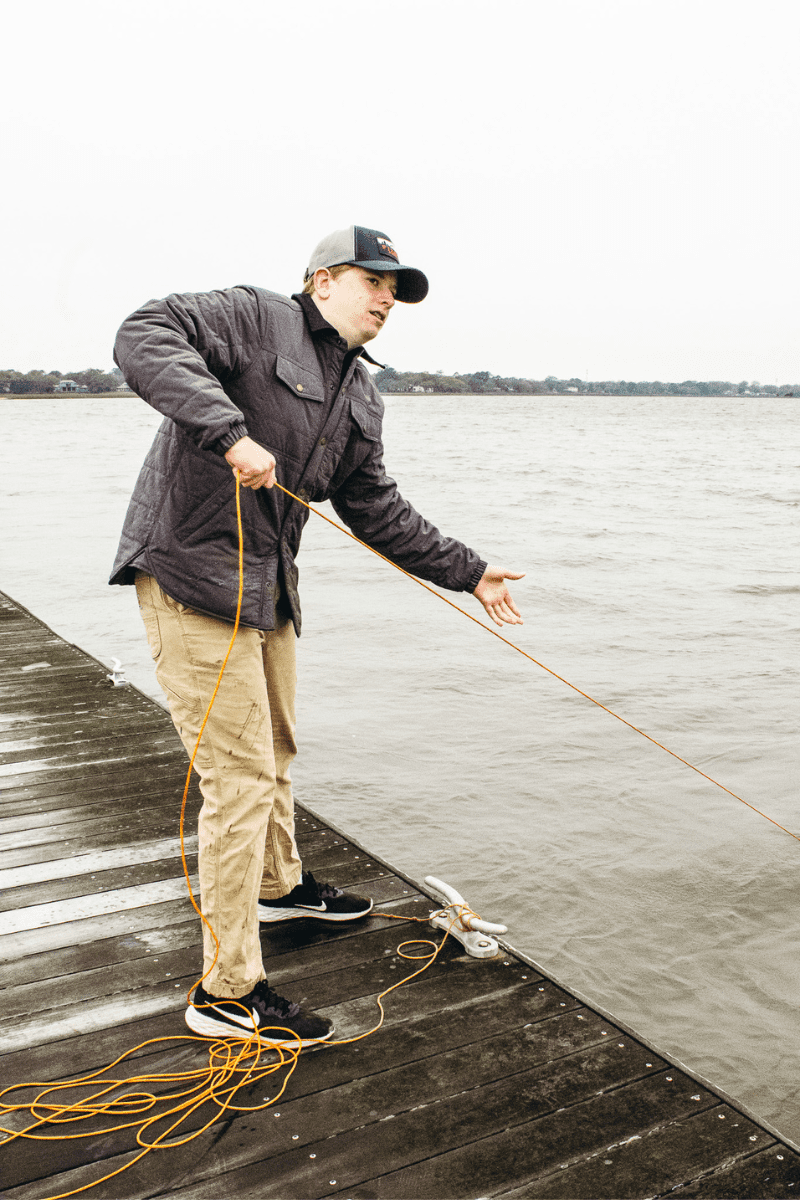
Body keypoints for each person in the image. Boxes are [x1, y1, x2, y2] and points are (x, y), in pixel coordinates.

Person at [111, 225, 524, 1049]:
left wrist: (470, 572)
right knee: (239, 779)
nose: (387, 300)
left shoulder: (362, 396)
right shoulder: (253, 318)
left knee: (279, 751)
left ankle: (278, 884)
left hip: (270, 594)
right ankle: (226, 990)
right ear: (323, 279)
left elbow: (376, 508)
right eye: (375, 282)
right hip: (192, 579)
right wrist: (228, 433)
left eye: (397, 291)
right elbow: (142, 333)